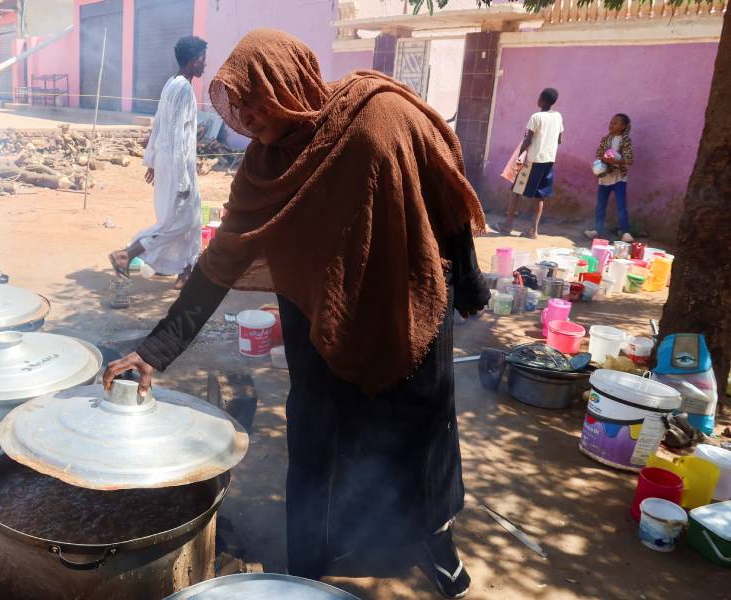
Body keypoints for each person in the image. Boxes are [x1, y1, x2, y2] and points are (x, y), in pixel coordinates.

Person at [103, 29, 490, 599]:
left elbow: (445, 195)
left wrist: (471, 283)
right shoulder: (265, 169)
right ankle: (308, 559)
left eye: (257, 99)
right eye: (239, 105)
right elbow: (220, 262)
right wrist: (154, 349)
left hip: (403, 307)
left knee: (419, 431)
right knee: (316, 432)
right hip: (319, 319)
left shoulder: (380, 115)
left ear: (291, 81)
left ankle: (435, 541)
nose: (248, 117)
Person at [108, 36, 207, 290]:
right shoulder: (183, 89)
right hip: (177, 166)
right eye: (203, 60)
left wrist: (152, 161)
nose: (205, 65)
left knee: (193, 218)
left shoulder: (171, 83)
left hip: (168, 162)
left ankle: (186, 272)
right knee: (177, 222)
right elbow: (175, 135)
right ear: (194, 61)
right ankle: (126, 255)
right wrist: (183, 179)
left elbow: (159, 124)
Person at [496, 88, 563, 239]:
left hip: (533, 160)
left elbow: (528, 139)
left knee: (516, 190)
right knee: (540, 196)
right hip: (549, 160)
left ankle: (508, 225)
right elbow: (560, 139)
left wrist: (519, 156)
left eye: (539, 97)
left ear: (543, 100)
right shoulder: (558, 117)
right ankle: (534, 230)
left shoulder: (536, 117)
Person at [584, 113, 635, 242]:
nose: (611, 125)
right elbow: (599, 154)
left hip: (619, 178)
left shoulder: (626, 140)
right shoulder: (605, 139)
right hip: (605, 177)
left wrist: (615, 161)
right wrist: (604, 159)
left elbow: (629, 160)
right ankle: (597, 230)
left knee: (621, 205)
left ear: (623, 126)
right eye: (611, 122)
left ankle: (625, 232)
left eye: (615, 123)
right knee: (600, 205)